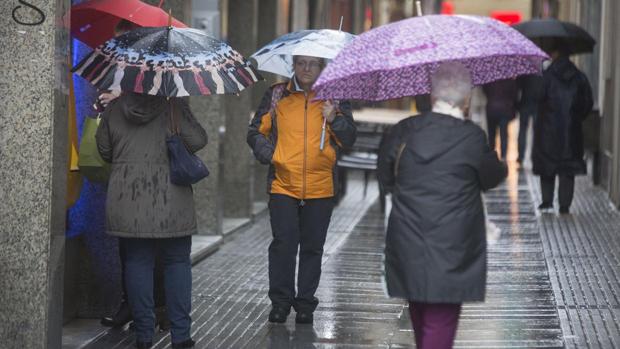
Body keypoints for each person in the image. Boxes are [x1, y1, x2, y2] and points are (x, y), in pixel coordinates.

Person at [378, 62, 507, 349]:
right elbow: (491, 177)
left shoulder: (404, 131)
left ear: (433, 96)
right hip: (454, 242)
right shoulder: (471, 136)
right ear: (465, 99)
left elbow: (386, 176)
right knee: (441, 319)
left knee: (421, 310)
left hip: (407, 236)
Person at [247, 55, 357, 324]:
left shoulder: (335, 98)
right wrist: (272, 156)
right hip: (283, 184)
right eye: (301, 63)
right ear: (293, 66)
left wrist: (334, 119)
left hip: (321, 186)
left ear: (322, 68)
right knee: (283, 245)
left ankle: (305, 303)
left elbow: (349, 139)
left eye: (313, 64)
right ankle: (281, 303)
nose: (306, 68)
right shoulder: (276, 95)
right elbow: (255, 132)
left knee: (313, 247)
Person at [96, 93, 207, 349]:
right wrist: (181, 110)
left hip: (127, 200)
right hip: (172, 200)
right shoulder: (174, 104)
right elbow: (199, 140)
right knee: (177, 262)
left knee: (136, 263)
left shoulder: (115, 107)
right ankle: (181, 336)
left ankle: (144, 336)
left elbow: (104, 150)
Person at [97, 19, 168, 331]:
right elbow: (109, 143)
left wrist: (120, 102)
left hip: (157, 176)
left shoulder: (160, 77)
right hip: (126, 175)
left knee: (154, 250)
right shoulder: (118, 77)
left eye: (124, 43)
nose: (120, 51)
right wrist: (106, 110)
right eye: (117, 44)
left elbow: (150, 113)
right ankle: (134, 304)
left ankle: (153, 307)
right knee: (130, 248)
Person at [533, 45, 593, 214]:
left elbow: (537, 97)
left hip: (547, 131)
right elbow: (587, 102)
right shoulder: (580, 77)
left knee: (547, 164)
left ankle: (547, 201)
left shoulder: (546, 76)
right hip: (571, 131)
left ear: (557, 54)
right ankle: (565, 204)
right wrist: (576, 117)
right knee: (567, 168)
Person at [482, 78, 518, 159]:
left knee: (491, 135)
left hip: (491, 108)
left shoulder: (489, 79)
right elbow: (514, 95)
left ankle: (491, 155)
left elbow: (485, 91)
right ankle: (503, 157)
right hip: (505, 109)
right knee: (503, 134)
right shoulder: (510, 81)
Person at [516, 74, 544, 164]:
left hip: (525, 104)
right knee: (536, 132)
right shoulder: (542, 73)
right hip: (538, 105)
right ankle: (535, 156)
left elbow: (517, 88)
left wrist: (517, 104)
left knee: (522, 130)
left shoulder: (524, 73)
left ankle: (521, 156)